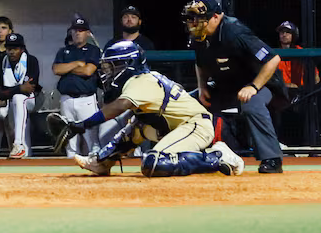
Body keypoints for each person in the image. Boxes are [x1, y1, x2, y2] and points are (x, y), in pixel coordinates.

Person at [63, 39, 245, 177]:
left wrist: (83, 124)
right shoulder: (143, 79)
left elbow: (121, 105)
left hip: (195, 126)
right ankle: (102, 162)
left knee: (154, 163)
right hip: (176, 126)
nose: (109, 71)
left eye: (114, 66)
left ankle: (216, 157)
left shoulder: (140, 80)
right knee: (137, 126)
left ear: (129, 65)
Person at [183, 0, 286, 174]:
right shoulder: (199, 36)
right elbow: (199, 64)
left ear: (216, 16)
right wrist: (203, 87)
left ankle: (272, 159)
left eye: (199, 18)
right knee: (186, 102)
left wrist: (253, 87)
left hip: (261, 83)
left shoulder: (235, 32)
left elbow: (273, 60)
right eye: (192, 18)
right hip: (226, 85)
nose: (194, 23)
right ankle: (183, 154)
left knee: (251, 103)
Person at [52, 18, 101, 158]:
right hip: (66, 99)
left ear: (87, 33)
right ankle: (70, 177)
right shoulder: (64, 51)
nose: (78, 33)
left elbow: (88, 71)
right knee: (70, 142)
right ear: (71, 32)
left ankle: (95, 172)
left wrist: (66, 68)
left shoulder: (93, 50)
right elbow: (56, 69)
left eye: (81, 30)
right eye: (75, 30)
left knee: (91, 141)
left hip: (86, 99)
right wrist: (77, 63)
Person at [0, 32, 39, 159]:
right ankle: (22, 150)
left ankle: (18, 144)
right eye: (9, 48)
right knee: (15, 122)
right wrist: (19, 88)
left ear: (22, 49)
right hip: (10, 103)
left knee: (19, 98)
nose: (11, 52)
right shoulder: (0, 62)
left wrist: (11, 91)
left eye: (15, 48)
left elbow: (29, 88)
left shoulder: (31, 60)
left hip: (31, 99)